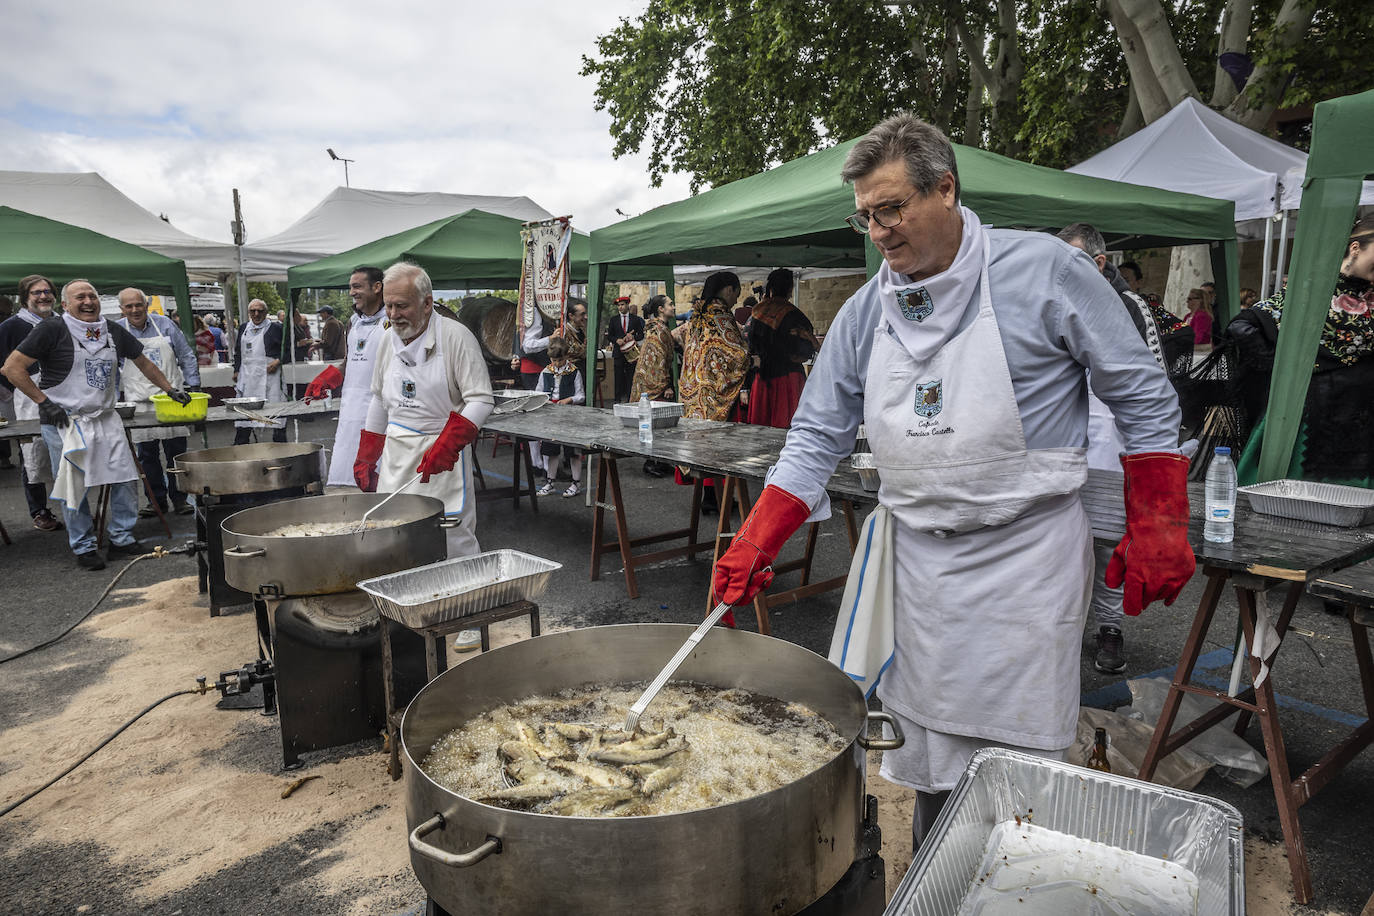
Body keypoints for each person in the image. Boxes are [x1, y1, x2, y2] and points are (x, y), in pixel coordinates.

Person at [711, 114, 1191, 845]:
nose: (879, 232)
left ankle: (1012, 873)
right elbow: (816, 432)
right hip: (922, 568)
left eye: (893, 209)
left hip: (1027, 560)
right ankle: (936, 875)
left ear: (946, 189)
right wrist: (758, 537)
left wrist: (1159, 520)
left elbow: (1142, 395)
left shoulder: (1044, 272)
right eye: (866, 216)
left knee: (1019, 762)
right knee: (929, 750)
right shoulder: (866, 309)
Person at [1055, 224, 1189, 675]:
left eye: (1071, 262)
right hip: (1065, 441)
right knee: (1061, 543)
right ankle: (1060, 631)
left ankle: (1109, 628)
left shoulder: (1129, 307)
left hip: (1112, 442)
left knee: (1109, 542)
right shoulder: (1051, 301)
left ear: (1098, 264)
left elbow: (1149, 387)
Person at [2, 280, 188, 569]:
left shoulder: (112, 330)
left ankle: (122, 539)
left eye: (92, 296)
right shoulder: (52, 329)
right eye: (80, 297)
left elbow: (143, 362)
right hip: (65, 420)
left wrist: (169, 388)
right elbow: (12, 368)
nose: (88, 301)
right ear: (65, 305)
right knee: (74, 486)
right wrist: (44, 402)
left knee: (124, 479)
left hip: (105, 417)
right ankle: (84, 546)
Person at [355, 262, 494, 561]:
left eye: (402, 306)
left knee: (450, 534)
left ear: (427, 302)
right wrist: (368, 453)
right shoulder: (386, 339)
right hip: (397, 455)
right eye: (389, 306)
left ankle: (464, 598)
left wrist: (449, 444)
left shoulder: (456, 337)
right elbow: (380, 398)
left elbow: (481, 399)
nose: (393, 315)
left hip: (442, 455)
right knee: (395, 532)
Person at [1231, 217, 1374, 486]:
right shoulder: (1312, 289)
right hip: (1309, 417)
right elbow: (1244, 325)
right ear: (1355, 247)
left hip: (1361, 424)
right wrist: (1281, 367)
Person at [117, 288, 201, 518]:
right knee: (147, 455)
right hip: (140, 403)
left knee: (177, 453)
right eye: (129, 306)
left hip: (173, 399)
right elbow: (113, 368)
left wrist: (193, 385)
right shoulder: (117, 331)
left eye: (138, 305)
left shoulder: (164, 325)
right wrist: (115, 400)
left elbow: (185, 355)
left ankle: (180, 498)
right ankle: (156, 500)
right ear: (121, 309)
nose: (134, 310)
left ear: (146, 305)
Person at [303, 266, 388, 487]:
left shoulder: (393, 319)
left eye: (357, 286)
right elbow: (350, 360)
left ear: (377, 287)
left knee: (379, 479)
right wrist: (328, 377)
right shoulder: (353, 322)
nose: (352, 292)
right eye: (351, 287)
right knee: (347, 476)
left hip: (381, 410)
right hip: (351, 408)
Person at [0, 275, 64, 531]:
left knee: (67, 453)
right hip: (29, 396)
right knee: (33, 455)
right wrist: (12, 390)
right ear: (25, 297)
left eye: (48, 291)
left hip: (64, 394)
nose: (43, 296)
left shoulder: (63, 323)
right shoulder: (12, 326)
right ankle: (39, 510)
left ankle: (73, 509)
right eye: (36, 292)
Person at [746, 268, 819, 429]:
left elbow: (750, 344)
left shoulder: (756, 314)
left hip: (762, 379)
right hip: (789, 379)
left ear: (770, 288)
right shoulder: (795, 315)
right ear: (790, 289)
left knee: (761, 429)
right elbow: (806, 349)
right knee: (788, 427)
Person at [679, 272, 750, 422]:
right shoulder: (720, 313)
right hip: (711, 391)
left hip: (691, 389)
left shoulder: (697, 313)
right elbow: (736, 354)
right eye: (736, 295)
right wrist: (751, 359)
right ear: (729, 289)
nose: (736, 301)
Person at [630, 295, 677, 478]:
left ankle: (661, 460)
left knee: (660, 424)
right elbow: (658, 360)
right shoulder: (657, 330)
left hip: (655, 380)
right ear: (661, 309)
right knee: (653, 423)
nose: (673, 307)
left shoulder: (660, 328)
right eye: (670, 304)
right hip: (654, 383)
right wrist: (666, 385)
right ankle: (650, 462)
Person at [534, 337, 585, 498]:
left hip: (571, 416)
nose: (557, 364)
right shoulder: (546, 372)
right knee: (551, 450)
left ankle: (576, 483)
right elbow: (538, 392)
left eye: (560, 360)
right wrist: (545, 400)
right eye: (554, 360)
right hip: (551, 416)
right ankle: (550, 482)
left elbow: (581, 396)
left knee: (573, 451)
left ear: (567, 357)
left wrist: (569, 400)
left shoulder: (574, 372)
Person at [233, 299, 287, 444]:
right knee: (245, 416)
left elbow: (289, 349)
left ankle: (280, 446)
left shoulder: (276, 328)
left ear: (266, 312)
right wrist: (236, 370)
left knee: (276, 414)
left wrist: (277, 361)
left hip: (270, 377)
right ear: (249, 312)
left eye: (260, 311)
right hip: (248, 377)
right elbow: (238, 352)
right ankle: (241, 446)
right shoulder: (244, 327)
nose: (256, 314)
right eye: (253, 311)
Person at [605, 296, 644, 402]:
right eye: (619, 305)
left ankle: (629, 399)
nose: (620, 307)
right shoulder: (614, 320)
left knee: (630, 376)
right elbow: (609, 336)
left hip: (631, 353)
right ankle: (617, 399)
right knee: (618, 376)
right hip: (618, 352)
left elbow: (641, 334)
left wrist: (633, 337)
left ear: (627, 305)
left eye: (622, 305)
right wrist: (616, 340)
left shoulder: (635, 319)